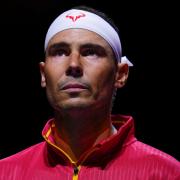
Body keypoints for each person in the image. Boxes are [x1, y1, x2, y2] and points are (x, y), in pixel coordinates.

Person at [0, 5, 179, 180]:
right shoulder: (5, 173)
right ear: (43, 74)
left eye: (90, 52)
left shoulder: (166, 173)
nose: (73, 65)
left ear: (121, 74)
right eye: (60, 52)